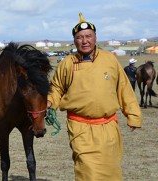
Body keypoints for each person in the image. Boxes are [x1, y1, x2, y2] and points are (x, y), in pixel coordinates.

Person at [47, 12, 142, 181]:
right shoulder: (67, 63)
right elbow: (56, 88)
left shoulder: (109, 60)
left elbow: (124, 87)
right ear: (74, 40)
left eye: (88, 36)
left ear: (95, 37)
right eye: (80, 37)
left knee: (111, 171)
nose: (85, 41)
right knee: (87, 171)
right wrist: (50, 102)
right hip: (80, 127)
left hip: (108, 127)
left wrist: (133, 115)